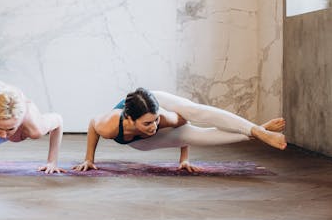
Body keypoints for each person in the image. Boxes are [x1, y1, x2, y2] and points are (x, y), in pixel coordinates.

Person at [73, 88, 286, 173]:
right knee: (201, 137)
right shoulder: (111, 125)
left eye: (155, 122)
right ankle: (257, 130)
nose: (154, 126)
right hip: (140, 143)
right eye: (147, 124)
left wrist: (184, 158)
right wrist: (89, 159)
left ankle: (257, 131)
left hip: (159, 102)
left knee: (195, 112)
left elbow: (184, 123)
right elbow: (93, 124)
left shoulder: (163, 118)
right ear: (129, 119)